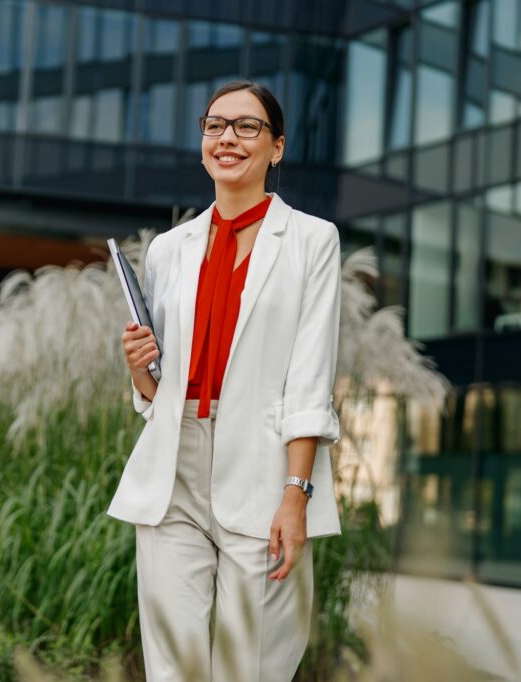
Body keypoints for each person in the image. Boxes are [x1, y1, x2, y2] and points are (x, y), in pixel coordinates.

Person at [108, 80, 343, 682]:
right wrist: (141, 372)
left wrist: (297, 495)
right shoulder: (169, 249)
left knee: (253, 664)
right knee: (175, 668)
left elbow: (310, 379)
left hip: (264, 472)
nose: (227, 138)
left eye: (246, 126)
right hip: (174, 466)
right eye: (215, 126)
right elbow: (161, 388)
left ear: (278, 147)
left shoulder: (313, 242)